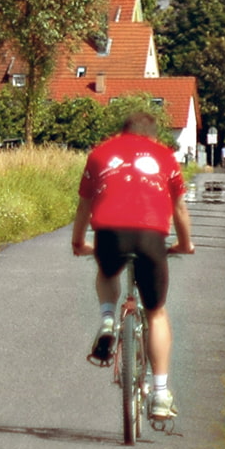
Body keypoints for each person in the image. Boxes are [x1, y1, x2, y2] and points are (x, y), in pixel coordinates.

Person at [71, 112, 195, 420]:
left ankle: (108, 320)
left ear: (121, 133)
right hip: (151, 236)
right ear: (152, 136)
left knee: (106, 271)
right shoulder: (165, 156)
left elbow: (84, 205)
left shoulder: (100, 153)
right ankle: (162, 394)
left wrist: (78, 242)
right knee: (156, 312)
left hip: (109, 234)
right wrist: (185, 244)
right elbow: (179, 208)